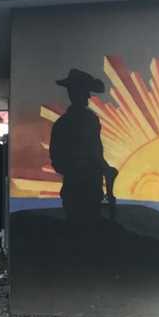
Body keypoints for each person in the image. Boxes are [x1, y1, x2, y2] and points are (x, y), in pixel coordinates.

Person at [49, 68, 117, 225]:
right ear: (76, 93)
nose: (88, 96)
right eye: (85, 91)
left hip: (75, 191)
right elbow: (95, 152)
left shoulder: (62, 123)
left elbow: (57, 160)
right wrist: (103, 169)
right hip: (88, 189)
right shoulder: (88, 120)